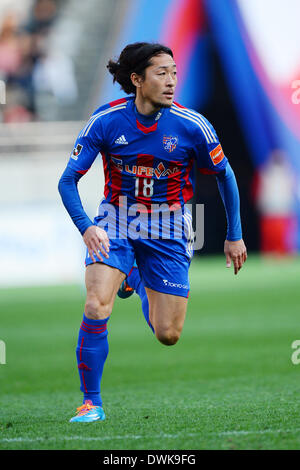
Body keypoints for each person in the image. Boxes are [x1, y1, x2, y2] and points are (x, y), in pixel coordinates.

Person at [58, 42, 247, 423]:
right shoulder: (106, 121)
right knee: (96, 304)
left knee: (168, 334)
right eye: (162, 73)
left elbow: (225, 176)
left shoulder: (192, 125)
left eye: (174, 73)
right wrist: (87, 227)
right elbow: (67, 182)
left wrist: (234, 234)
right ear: (137, 80)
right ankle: (90, 403)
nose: (171, 81)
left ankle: (139, 278)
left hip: (170, 226)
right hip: (117, 222)